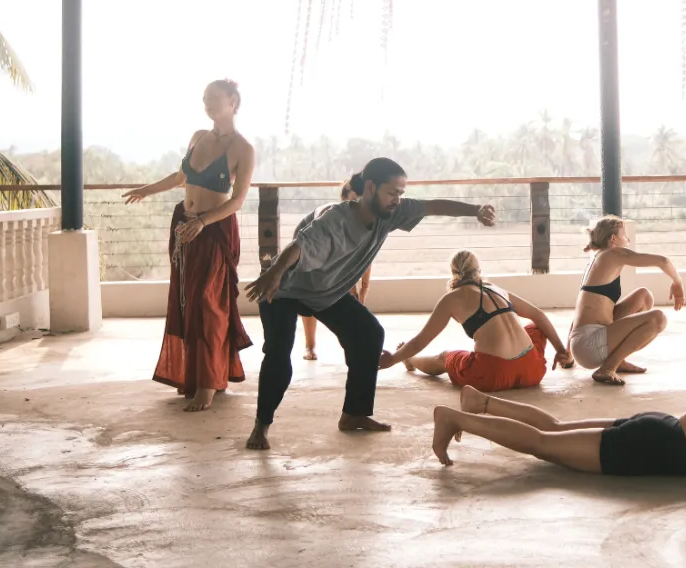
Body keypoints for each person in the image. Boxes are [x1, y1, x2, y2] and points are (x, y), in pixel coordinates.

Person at [243, 157, 497, 450]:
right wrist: (274, 272)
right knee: (278, 353)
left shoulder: (391, 213)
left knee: (368, 335)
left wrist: (475, 210)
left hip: (327, 293)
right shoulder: (335, 220)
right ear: (371, 187)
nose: (397, 199)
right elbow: (298, 246)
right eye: (392, 193)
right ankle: (261, 426)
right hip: (283, 289)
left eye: (401, 193)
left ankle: (355, 414)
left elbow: (431, 206)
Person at [430, 344, 686, 493]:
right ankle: (455, 419)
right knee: (543, 446)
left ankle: (481, 402)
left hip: (654, 430)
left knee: (553, 429)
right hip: (648, 448)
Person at [123, 79, 256, 412]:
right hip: (184, 224)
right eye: (205, 97)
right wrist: (146, 190)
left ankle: (209, 384)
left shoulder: (243, 148)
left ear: (233, 101)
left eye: (214, 97)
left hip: (214, 229)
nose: (207, 102)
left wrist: (203, 222)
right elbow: (180, 178)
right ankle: (201, 376)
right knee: (188, 303)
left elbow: (237, 201)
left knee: (209, 304)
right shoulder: (198, 137)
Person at [378, 250, 571, 392]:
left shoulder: (451, 299)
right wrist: (561, 351)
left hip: (492, 375)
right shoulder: (496, 289)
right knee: (535, 327)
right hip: (532, 370)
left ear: (453, 272)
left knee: (445, 357)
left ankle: (411, 360)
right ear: (478, 270)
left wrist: (393, 359)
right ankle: (564, 357)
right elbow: (539, 315)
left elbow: (420, 340)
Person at [563, 215, 684, 386]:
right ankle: (608, 367)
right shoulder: (612, 254)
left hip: (584, 343)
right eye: (624, 235)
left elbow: (582, 311)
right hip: (590, 345)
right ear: (613, 239)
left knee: (643, 296)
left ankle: (617, 361)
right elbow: (662, 261)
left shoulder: (598, 259)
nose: (628, 239)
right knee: (659, 318)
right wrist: (677, 283)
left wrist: (569, 355)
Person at [301, 179, 372, 361]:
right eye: (354, 198)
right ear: (344, 199)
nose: (358, 203)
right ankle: (310, 345)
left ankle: (353, 346)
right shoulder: (332, 216)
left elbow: (366, 255)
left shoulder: (367, 218)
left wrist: (363, 288)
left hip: (337, 252)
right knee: (310, 295)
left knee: (351, 300)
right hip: (311, 245)